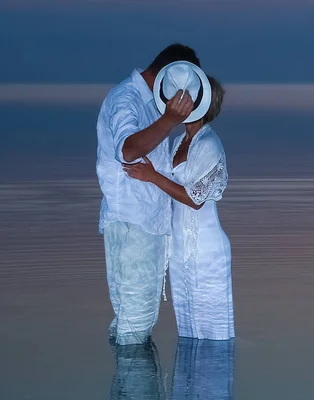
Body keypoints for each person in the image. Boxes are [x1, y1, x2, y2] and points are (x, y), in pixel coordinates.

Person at [96, 43, 201, 346]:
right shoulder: (126, 98)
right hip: (132, 225)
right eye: (182, 91)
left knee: (135, 320)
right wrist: (168, 120)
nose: (182, 100)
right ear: (170, 76)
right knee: (135, 323)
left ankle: (128, 389)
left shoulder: (148, 103)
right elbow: (127, 150)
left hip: (144, 225)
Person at [123, 70, 235, 340]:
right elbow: (175, 188)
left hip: (206, 250)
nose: (179, 101)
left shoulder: (209, 144)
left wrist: (153, 177)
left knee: (212, 333)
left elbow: (194, 199)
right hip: (180, 248)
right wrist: (152, 174)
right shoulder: (179, 142)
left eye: (187, 96)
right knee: (189, 330)